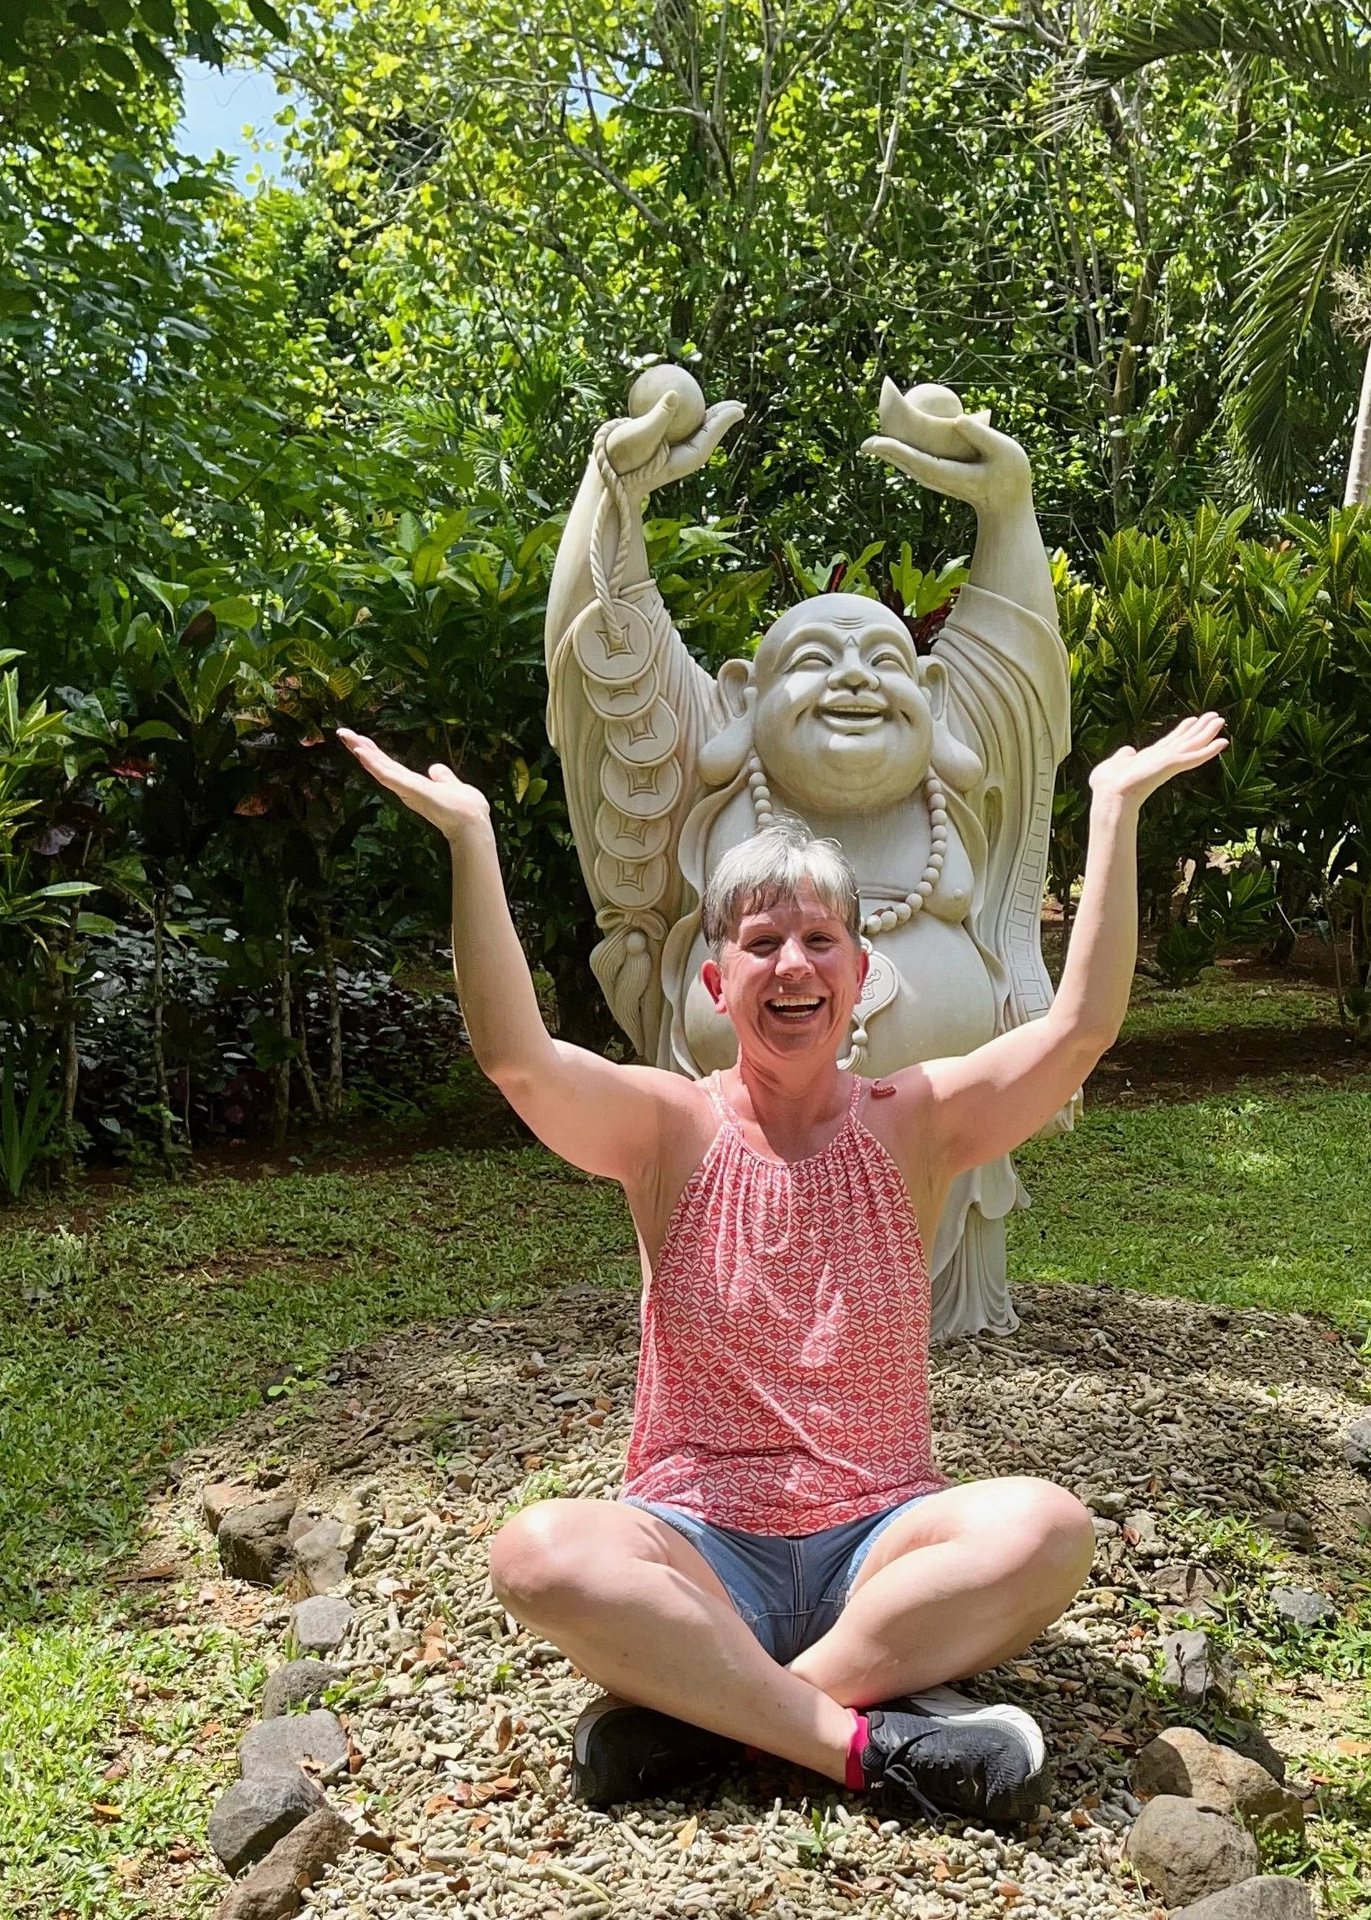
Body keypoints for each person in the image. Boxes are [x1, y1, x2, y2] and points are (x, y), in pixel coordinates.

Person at [338, 694, 1221, 1824]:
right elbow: (517, 1060)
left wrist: (1112, 810)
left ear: (861, 979)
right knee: (539, 1552)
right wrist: (471, 840)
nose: (791, 964)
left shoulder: (916, 1121)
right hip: (698, 1542)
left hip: (879, 1542)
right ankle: (869, 1747)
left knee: (1047, 1529)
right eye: (760, 943)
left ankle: (714, 1720)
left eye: (819, 941)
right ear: (718, 982)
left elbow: (1079, 1030)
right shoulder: (667, 1128)